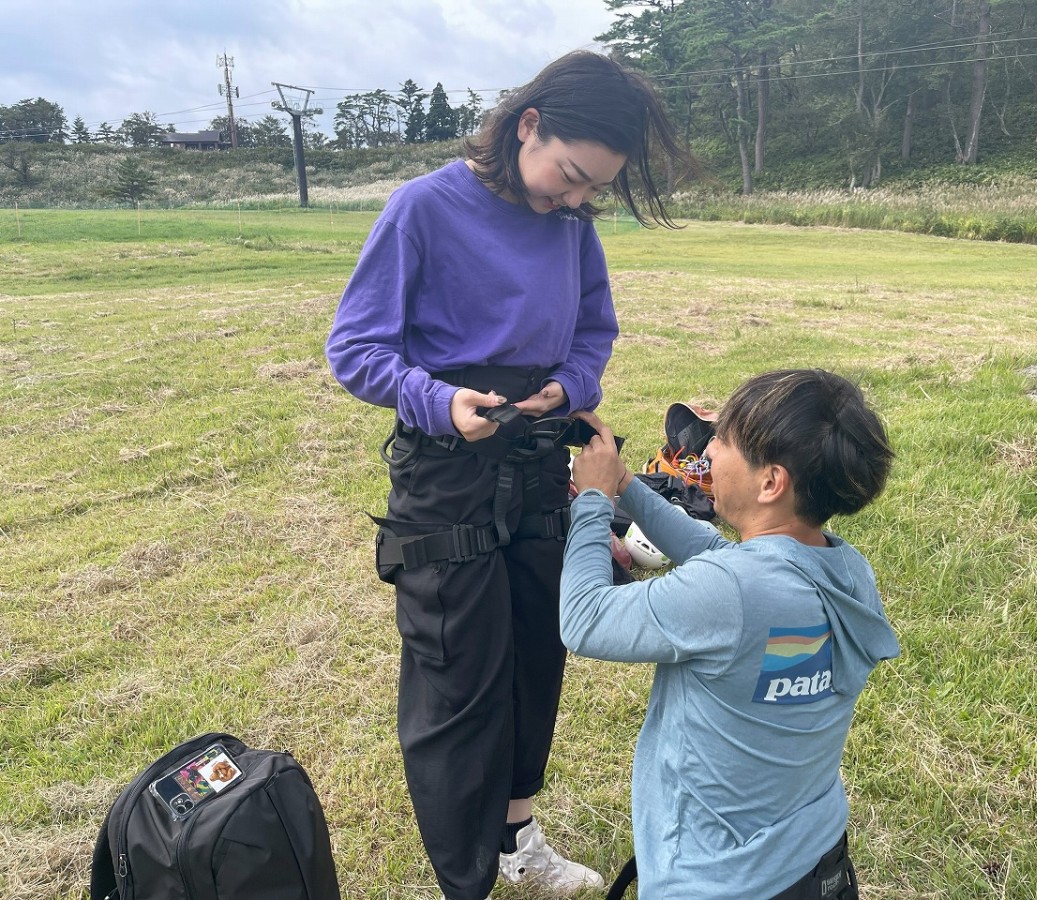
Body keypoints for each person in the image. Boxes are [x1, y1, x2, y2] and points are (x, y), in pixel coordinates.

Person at [325, 51, 692, 900]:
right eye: (566, 177)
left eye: (589, 192)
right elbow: (355, 348)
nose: (570, 202)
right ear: (527, 125)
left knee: (536, 653)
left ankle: (516, 838)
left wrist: (571, 386)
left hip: (536, 462)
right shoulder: (423, 208)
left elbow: (594, 331)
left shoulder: (571, 225)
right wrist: (435, 399)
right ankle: (466, 882)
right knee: (459, 677)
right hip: (446, 472)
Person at [561, 369, 899, 899]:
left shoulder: (731, 594)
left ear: (772, 482)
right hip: (816, 866)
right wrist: (627, 484)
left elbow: (583, 618)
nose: (709, 450)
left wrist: (592, 501)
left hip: (715, 880)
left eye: (724, 439)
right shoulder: (846, 570)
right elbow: (723, 557)